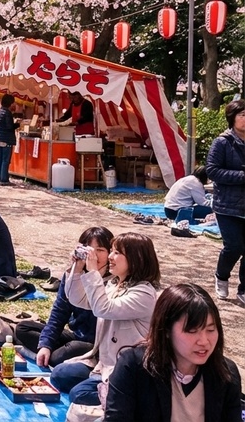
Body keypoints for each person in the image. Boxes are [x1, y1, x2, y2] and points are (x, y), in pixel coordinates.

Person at [50, 232, 160, 407]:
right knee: (59, 375)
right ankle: (108, 389)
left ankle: (134, 402)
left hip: (128, 370)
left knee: (78, 395)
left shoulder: (144, 293)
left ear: (136, 258)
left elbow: (103, 308)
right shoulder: (115, 284)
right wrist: (78, 268)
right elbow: (76, 299)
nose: (110, 256)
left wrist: (93, 270)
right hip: (105, 364)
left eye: (116, 252)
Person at [104, 283, 242, 421]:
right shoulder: (134, 366)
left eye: (210, 330)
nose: (204, 341)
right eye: (192, 331)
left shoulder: (225, 373)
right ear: (166, 330)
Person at [15, 227, 114, 368]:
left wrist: (93, 272)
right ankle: (49, 355)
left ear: (110, 253)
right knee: (23, 328)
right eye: (88, 249)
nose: (93, 255)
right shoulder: (74, 275)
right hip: (75, 335)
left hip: (96, 343)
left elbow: (102, 312)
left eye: (100, 250)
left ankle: (52, 358)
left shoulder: (114, 280)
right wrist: (46, 344)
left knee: (71, 350)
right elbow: (60, 311)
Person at [206, 99, 245, 304]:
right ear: (232, 118)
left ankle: (244, 289)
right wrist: (241, 176)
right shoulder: (222, 142)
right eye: (242, 115)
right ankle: (221, 277)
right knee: (234, 246)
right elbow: (212, 170)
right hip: (227, 205)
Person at [0, 94, 18, 185]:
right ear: (10, 103)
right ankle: (4, 179)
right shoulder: (7, 113)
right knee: (5, 160)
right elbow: (9, 127)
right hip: (6, 138)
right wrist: (17, 124)